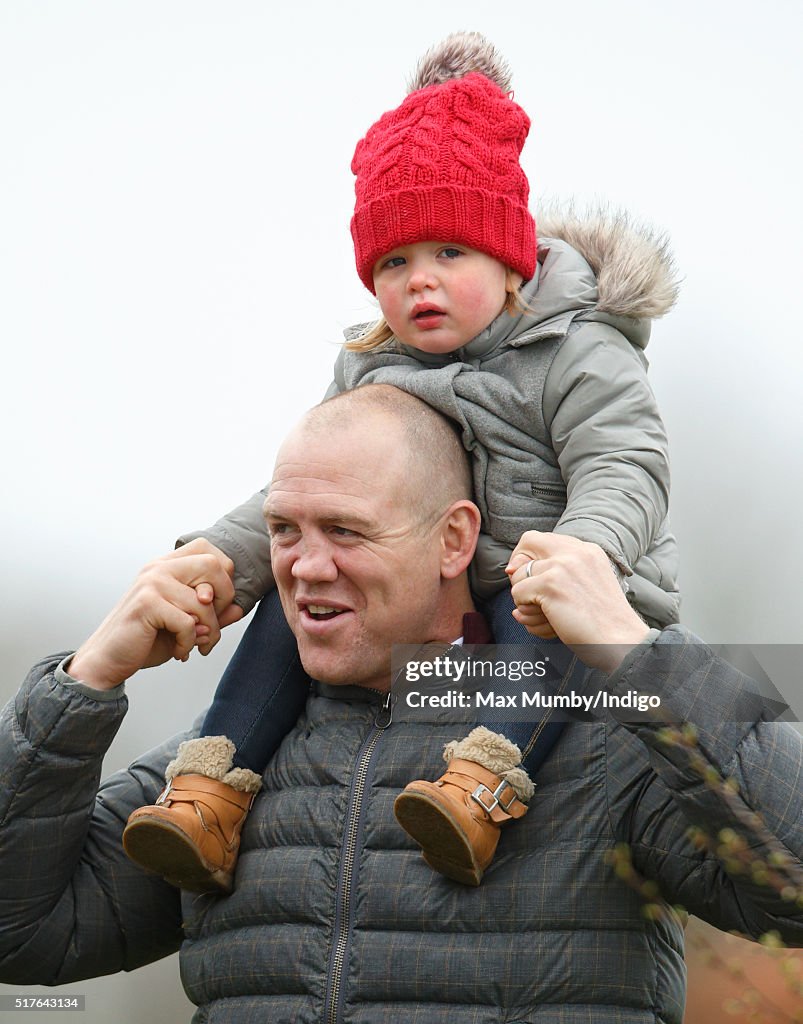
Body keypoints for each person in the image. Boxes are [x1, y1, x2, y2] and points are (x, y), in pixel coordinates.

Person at [0, 386, 800, 1024]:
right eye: (283, 530)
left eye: (345, 531)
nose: (306, 567)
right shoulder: (221, 769)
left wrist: (639, 655)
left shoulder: (607, 739)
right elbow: (23, 937)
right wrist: (86, 679)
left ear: (454, 540)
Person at [123, 30, 682, 891]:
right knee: (295, 596)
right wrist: (215, 561)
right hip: (427, 589)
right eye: (394, 261)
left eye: (449, 253)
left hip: (551, 591)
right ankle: (208, 796)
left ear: (508, 257)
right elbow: (304, 494)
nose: (419, 281)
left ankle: (476, 791)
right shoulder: (370, 366)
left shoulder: (579, 350)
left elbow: (624, 463)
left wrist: (587, 554)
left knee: (545, 648)